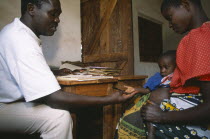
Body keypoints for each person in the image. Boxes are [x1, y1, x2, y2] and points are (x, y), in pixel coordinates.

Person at [0, 0, 137, 139]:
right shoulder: (20, 39)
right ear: (31, 9)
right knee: (59, 118)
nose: (57, 20)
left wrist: (53, 72)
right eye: (53, 14)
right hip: (3, 107)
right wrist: (108, 100)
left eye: (58, 15)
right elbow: (54, 99)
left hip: (11, 102)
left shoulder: (18, 32)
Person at [141, 0, 210, 138]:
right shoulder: (195, 37)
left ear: (185, 4)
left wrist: (162, 116)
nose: (169, 25)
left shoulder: (201, 38)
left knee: (135, 120)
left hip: (198, 116)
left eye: (170, 17)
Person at [115, 50, 176, 139]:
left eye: (166, 67)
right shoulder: (158, 77)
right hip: (153, 104)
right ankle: (150, 133)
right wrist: (136, 89)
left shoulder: (181, 78)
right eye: (160, 67)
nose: (162, 71)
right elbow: (147, 90)